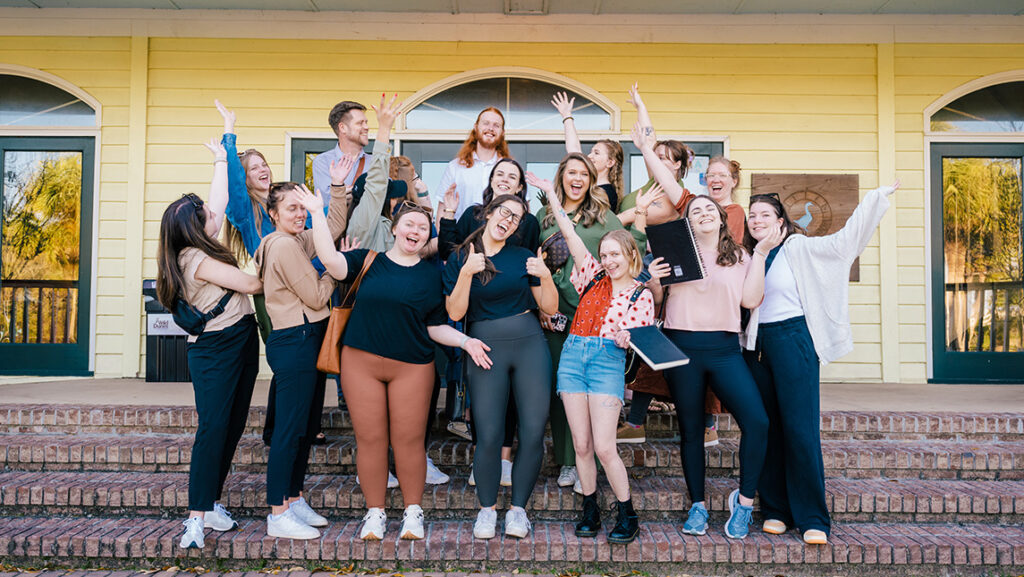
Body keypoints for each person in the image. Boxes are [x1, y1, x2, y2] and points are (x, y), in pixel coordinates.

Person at [301, 192, 492, 541]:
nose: (416, 230)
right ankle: (374, 513)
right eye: (409, 224)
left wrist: (465, 341)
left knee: (409, 441)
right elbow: (330, 260)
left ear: (427, 235)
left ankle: (412, 513)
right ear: (395, 229)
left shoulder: (431, 276)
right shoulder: (367, 260)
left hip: (413, 367)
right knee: (370, 439)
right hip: (361, 362)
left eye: (423, 226)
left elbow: (436, 325)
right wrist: (317, 213)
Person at [742, 181, 901, 545]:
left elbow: (846, 243)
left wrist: (874, 199)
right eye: (752, 216)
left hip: (793, 339)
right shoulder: (749, 255)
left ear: (782, 221)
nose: (756, 220)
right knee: (770, 429)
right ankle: (776, 511)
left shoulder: (800, 248)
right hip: (756, 346)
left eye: (765, 214)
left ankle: (813, 516)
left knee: (799, 428)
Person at [533, 173, 666, 543]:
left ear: (631, 255)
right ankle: (590, 508)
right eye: (604, 254)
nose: (608, 260)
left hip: (607, 362)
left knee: (606, 446)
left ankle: (627, 512)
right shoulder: (591, 277)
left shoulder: (641, 295)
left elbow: (639, 340)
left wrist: (628, 339)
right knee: (581, 447)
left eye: (615, 255)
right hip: (573, 357)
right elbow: (573, 239)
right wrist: (551, 197)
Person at [216, 100, 353, 448]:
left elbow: (330, 226)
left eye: (264, 164)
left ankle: (306, 423)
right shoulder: (248, 214)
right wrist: (229, 136)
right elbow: (232, 184)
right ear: (244, 178)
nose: (262, 169)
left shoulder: (293, 212)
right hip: (279, 300)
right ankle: (280, 429)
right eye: (253, 167)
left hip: (313, 293)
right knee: (290, 365)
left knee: (314, 360)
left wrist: (336, 190)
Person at [650, 194, 782, 540]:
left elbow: (750, 301)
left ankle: (744, 502)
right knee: (692, 430)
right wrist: (653, 280)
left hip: (724, 350)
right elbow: (659, 301)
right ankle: (698, 505)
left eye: (710, 208)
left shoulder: (740, 256)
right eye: (696, 210)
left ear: (722, 218)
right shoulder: (675, 253)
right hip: (682, 349)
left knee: (757, 421)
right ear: (688, 221)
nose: (704, 213)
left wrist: (763, 254)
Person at [158, 142, 263, 550]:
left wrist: (222, 156)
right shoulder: (193, 259)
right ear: (193, 227)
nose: (212, 219)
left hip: (239, 338)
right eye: (205, 218)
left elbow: (217, 201)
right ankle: (196, 518)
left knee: (233, 425)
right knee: (212, 429)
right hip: (216, 348)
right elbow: (252, 284)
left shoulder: (198, 243)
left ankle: (213, 503)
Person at [527, 153, 646, 490]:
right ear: (561, 176)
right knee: (564, 392)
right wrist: (540, 309)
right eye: (571, 172)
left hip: (597, 321)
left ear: (592, 179)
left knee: (595, 393)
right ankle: (568, 461)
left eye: (584, 173)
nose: (577, 179)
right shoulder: (543, 216)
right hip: (556, 315)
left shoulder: (605, 217)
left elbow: (628, 250)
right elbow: (532, 263)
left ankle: (591, 463)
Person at [443, 194, 558, 540]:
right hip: (486, 349)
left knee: (534, 430)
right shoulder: (461, 258)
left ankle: (518, 510)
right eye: (505, 212)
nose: (509, 220)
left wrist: (546, 276)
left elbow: (549, 308)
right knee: (489, 434)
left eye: (517, 218)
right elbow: (455, 313)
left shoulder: (524, 257)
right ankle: (487, 510)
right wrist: (465, 274)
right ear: (489, 213)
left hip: (529, 344)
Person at [252, 181, 350, 540]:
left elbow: (332, 227)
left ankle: (293, 499)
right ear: (273, 214)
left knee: (305, 428)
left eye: (301, 207)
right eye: (290, 208)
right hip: (296, 340)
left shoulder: (295, 239)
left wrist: (332, 192)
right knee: (290, 431)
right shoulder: (282, 246)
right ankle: (278, 514)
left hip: (305, 339)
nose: (299, 213)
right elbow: (314, 295)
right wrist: (331, 269)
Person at [551, 91, 625, 212]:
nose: (590, 156)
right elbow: (574, 150)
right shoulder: (589, 184)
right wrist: (566, 116)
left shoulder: (606, 193)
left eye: (596, 153)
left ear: (610, 162)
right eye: (591, 152)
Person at [435, 107, 511, 219]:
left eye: (496, 125)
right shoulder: (455, 167)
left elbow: (523, 207)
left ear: (502, 132)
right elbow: (443, 209)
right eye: (486, 123)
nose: (490, 128)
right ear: (476, 127)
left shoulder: (510, 169)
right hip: (461, 236)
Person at [312, 100, 370, 209]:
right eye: (360, 123)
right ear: (342, 127)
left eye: (366, 122)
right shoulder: (322, 162)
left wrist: (342, 192)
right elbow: (327, 203)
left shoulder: (374, 162)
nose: (366, 127)